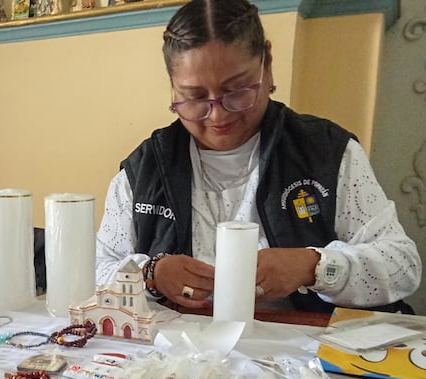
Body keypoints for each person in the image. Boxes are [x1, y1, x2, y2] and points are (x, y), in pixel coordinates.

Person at [95, 0, 421, 313]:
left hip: (301, 346)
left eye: (237, 90)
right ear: (173, 88)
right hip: (184, 350)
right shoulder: (145, 169)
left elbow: (402, 266)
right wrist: (150, 274)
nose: (218, 116)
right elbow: (95, 270)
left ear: (267, 64)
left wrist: (314, 267)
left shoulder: (325, 151)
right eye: (194, 97)